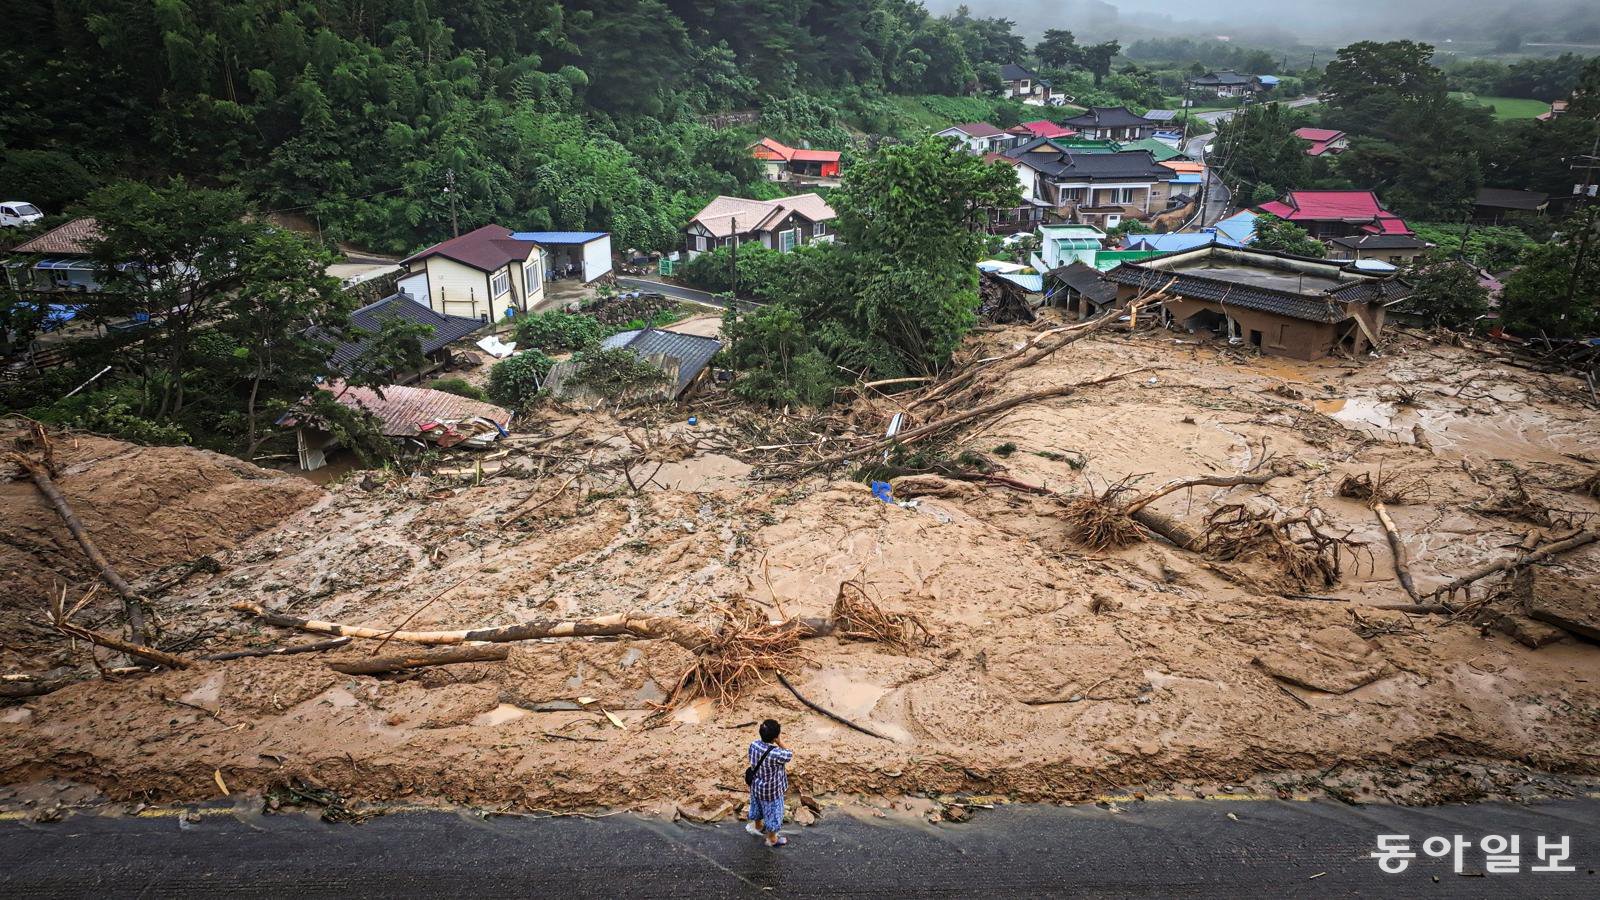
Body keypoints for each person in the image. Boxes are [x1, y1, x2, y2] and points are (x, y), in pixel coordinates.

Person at [744, 718, 793, 847]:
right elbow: (789, 754)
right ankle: (772, 839)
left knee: (757, 806)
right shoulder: (776, 754)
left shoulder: (753, 745)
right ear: (775, 737)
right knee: (773, 814)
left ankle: (758, 826)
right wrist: (779, 742)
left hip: (756, 786)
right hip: (771, 791)